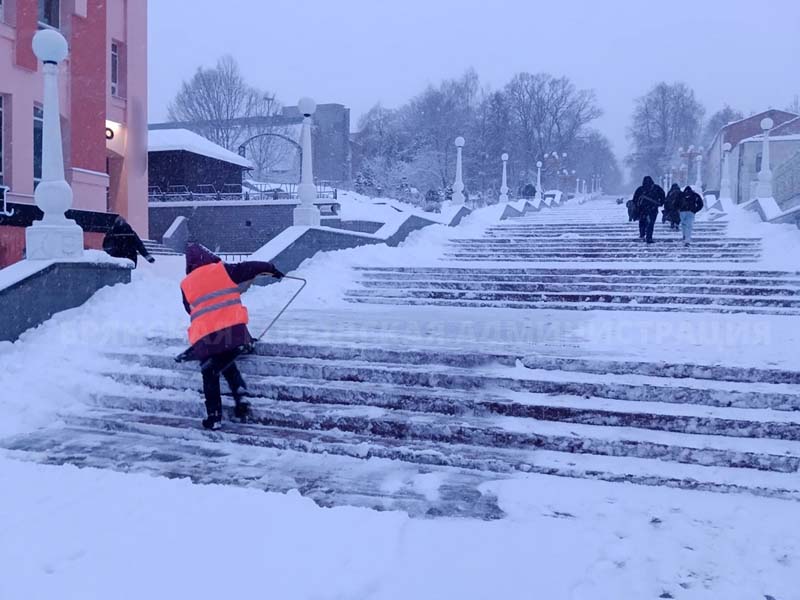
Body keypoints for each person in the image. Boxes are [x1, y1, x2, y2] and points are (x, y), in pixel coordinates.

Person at [180, 243, 284, 430]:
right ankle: (239, 392)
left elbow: (189, 309)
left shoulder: (186, 284)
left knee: (210, 372)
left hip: (207, 338)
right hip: (233, 333)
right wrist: (272, 270)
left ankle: (214, 416)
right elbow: (251, 267)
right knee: (226, 359)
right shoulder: (223, 270)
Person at [632, 176, 665, 244]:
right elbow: (662, 195)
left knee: (642, 221)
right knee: (651, 223)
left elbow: (635, 199)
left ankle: (642, 233)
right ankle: (649, 237)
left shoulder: (640, 189)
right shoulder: (656, 188)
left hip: (642, 209)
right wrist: (661, 203)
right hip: (653, 208)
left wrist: (637, 206)